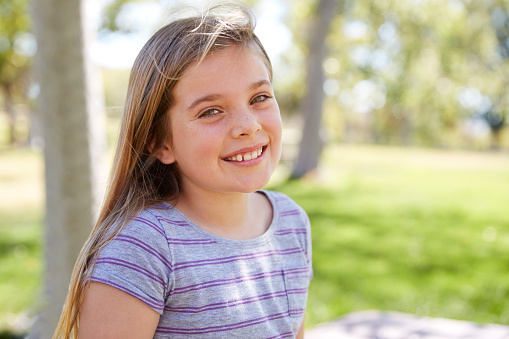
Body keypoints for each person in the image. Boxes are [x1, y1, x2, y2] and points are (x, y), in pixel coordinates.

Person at [54, 2, 312, 338]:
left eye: (259, 97)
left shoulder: (292, 223)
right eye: (210, 111)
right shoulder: (143, 249)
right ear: (161, 143)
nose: (248, 126)